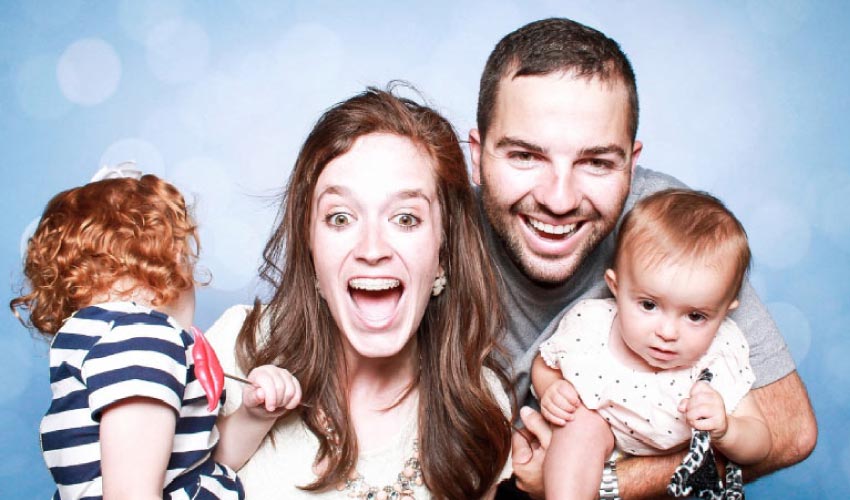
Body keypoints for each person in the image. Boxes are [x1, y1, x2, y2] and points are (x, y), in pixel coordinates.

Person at [467, 17, 817, 499]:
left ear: (632, 164)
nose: (560, 199)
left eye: (596, 162)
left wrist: (603, 485)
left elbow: (790, 430)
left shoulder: (667, 229)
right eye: (525, 155)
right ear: (477, 154)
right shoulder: (425, 227)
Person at [206, 87, 512, 499]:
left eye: (405, 218)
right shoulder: (237, 349)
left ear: (443, 251)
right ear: (310, 245)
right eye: (340, 217)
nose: (372, 250)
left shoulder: (480, 403)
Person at [11, 169, 300, 499]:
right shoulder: (141, 340)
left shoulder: (94, 340)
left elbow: (199, 464)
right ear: (166, 267)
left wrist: (254, 415)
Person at [531, 189, 771, 499]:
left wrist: (727, 429)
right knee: (580, 425)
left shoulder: (717, 357)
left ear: (725, 313)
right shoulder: (590, 327)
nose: (668, 332)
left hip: (668, 478)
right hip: (599, 439)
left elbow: (761, 444)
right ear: (616, 287)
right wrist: (551, 387)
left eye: (696, 316)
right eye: (648, 305)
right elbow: (546, 361)